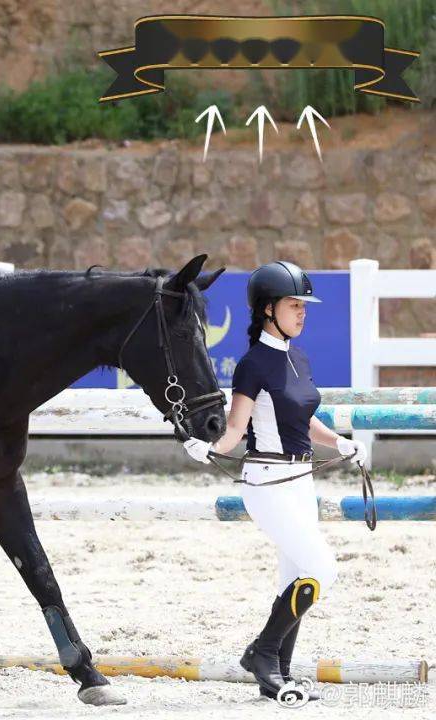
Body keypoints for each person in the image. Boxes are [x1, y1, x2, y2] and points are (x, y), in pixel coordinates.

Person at [182, 260, 367, 702]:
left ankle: (278, 674)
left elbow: (304, 419)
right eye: (293, 305)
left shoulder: (297, 357)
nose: (302, 313)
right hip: (268, 483)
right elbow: (235, 429)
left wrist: (340, 443)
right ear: (268, 309)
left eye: (303, 306)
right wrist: (206, 448)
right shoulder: (253, 364)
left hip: (301, 480)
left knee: (297, 574)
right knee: (323, 569)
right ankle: (262, 653)